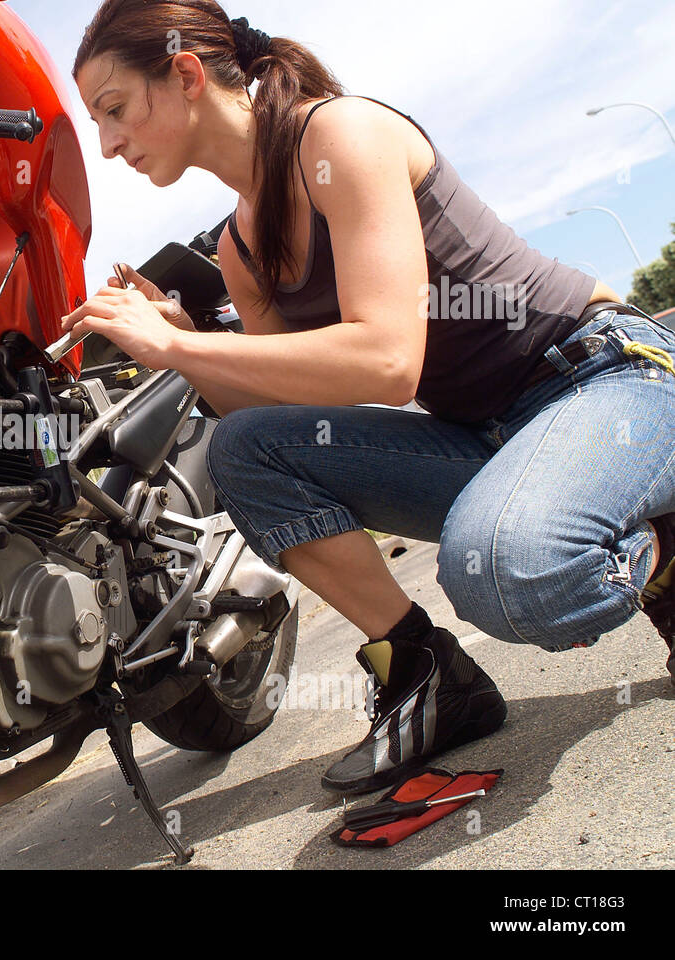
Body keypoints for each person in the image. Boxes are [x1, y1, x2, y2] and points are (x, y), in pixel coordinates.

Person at [62, 0, 675, 795]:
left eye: (114, 111)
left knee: (510, 575)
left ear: (184, 74)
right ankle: (425, 674)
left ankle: (656, 545)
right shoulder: (238, 249)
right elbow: (271, 432)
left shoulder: (341, 135)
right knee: (244, 449)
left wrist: (178, 344)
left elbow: (388, 361)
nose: (108, 146)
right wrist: (181, 339)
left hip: (602, 378)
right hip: (487, 438)